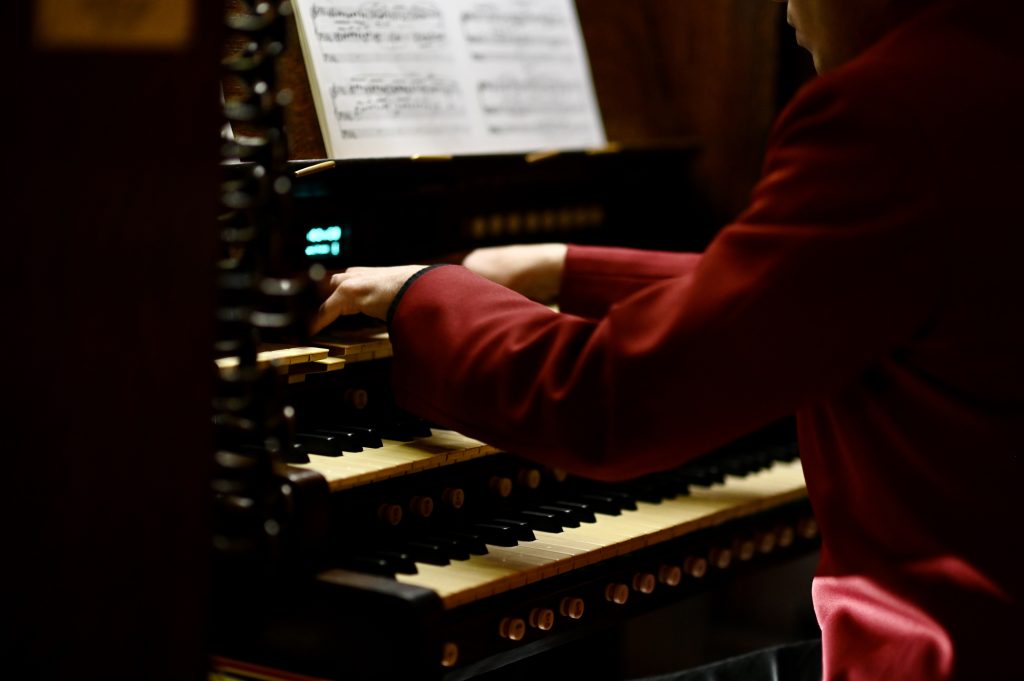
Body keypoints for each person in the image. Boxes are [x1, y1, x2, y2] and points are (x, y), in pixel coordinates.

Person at [311, 0, 1023, 678]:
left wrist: (423, 293)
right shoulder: (986, 68)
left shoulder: (892, 111)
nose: (783, 13)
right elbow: (835, 285)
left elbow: (605, 400)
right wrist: (572, 268)